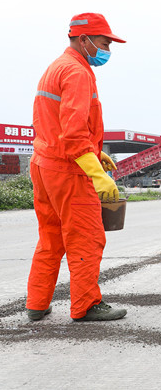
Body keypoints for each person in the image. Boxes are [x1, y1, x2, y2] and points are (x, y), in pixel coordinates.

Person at [27, 13, 127, 322]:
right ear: (83, 40)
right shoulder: (77, 72)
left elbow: (55, 125)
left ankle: (37, 303)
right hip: (68, 170)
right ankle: (86, 305)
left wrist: (97, 154)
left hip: (44, 165)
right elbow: (72, 133)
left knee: (51, 237)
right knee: (87, 237)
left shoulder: (56, 68)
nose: (107, 49)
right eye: (104, 43)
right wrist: (96, 173)